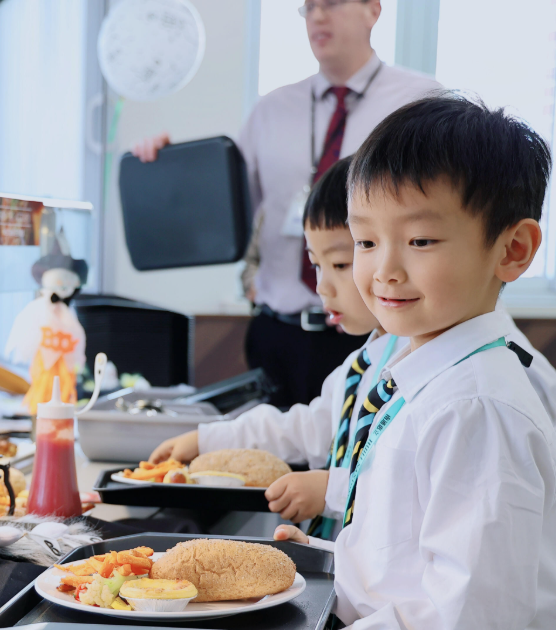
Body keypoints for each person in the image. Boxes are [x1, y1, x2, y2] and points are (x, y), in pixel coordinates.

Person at [227, 95, 556, 630]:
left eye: (420, 241)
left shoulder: (477, 406)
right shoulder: (417, 372)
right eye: (366, 242)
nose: (383, 270)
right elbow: (409, 548)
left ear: (512, 250)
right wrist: (324, 561)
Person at [133, 0, 440, 408]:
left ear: (373, 9)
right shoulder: (271, 110)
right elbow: (221, 212)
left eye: (331, 3)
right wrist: (169, 171)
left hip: (376, 332)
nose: (317, 16)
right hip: (278, 333)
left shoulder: (420, 103)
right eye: (308, 7)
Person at [150, 157, 401, 528]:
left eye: (340, 264)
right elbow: (304, 428)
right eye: (316, 265)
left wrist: (332, 491)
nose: (322, 287)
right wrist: (207, 440)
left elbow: (408, 488)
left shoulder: (415, 368)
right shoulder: (360, 365)